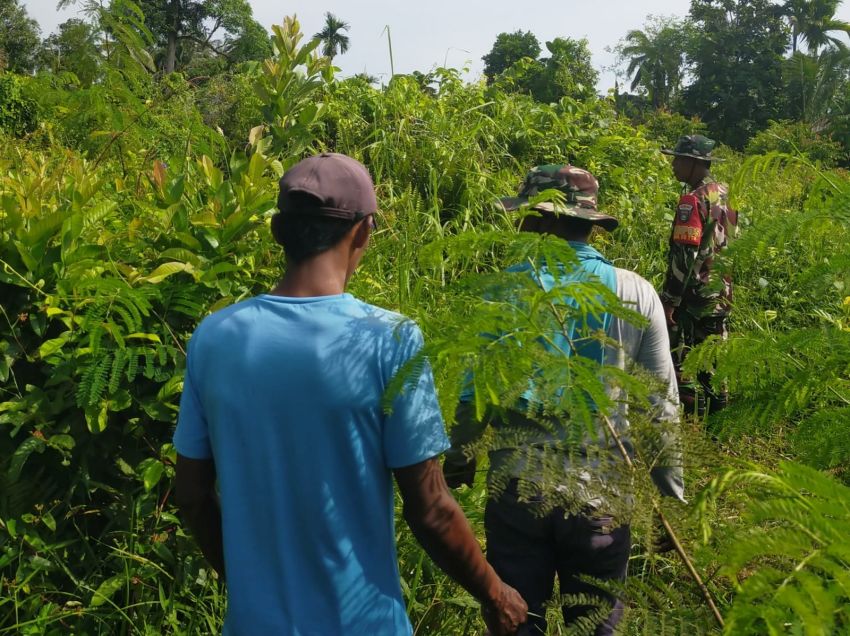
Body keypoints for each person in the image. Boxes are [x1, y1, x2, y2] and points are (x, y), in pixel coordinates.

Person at [173, 153, 527, 636]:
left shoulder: (214, 338)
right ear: (363, 232)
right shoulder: (390, 340)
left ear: (279, 232)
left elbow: (191, 494)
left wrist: (244, 584)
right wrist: (495, 593)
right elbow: (431, 509)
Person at [443, 164, 684, 636]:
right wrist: (670, 494)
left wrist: (459, 459)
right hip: (603, 495)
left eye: (525, 217)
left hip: (518, 492)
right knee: (594, 626)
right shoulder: (636, 292)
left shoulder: (503, 290)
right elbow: (660, 406)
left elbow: (476, 394)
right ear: (588, 223)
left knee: (516, 620)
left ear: (542, 219)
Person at [660, 135, 737, 415]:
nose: (672, 165)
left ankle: (692, 431)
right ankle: (717, 428)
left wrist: (670, 299)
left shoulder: (691, 201)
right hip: (720, 293)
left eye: (677, 159)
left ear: (692, 163)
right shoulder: (728, 194)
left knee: (684, 362)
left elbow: (684, 254)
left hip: (693, 297)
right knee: (716, 362)